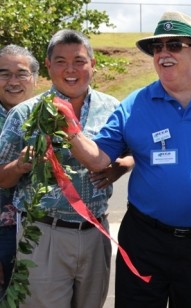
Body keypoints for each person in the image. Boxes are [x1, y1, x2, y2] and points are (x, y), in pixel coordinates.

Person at [53, 11, 191, 308]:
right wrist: (70, 127)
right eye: (157, 48)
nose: (163, 53)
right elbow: (98, 159)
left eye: (174, 45)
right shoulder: (134, 105)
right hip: (145, 240)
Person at [0, 30, 133, 307]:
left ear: (93, 64)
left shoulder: (113, 108)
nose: (71, 70)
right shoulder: (25, 112)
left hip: (96, 231)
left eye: (79, 61)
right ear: (48, 65)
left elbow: (136, 152)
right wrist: (21, 164)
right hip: (44, 234)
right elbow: (2, 178)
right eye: (61, 61)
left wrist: (119, 168)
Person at [0, 45, 39, 299]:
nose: (13, 81)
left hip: (40, 236)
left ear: (35, 78)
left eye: (21, 73)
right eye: (4, 73)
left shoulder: (47, 115)